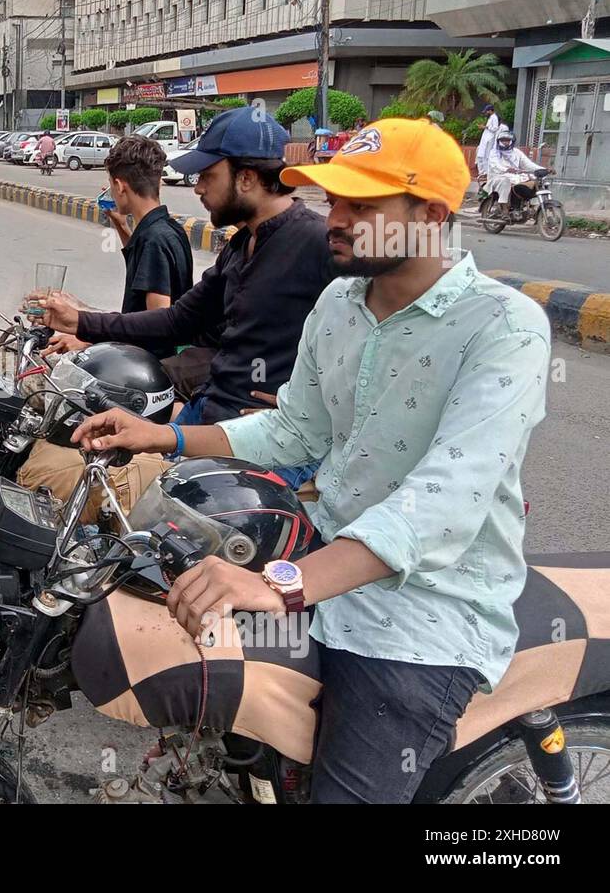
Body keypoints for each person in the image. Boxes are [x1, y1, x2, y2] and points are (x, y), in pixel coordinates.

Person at [71, 117, 551, 803]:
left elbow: (443, 502)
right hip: (327, 565)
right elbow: (295, 431)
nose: (338, 219)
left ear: (433, 216)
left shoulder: (503, 326)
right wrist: (163, 438)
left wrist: (281, 584)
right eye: (334, 200)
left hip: (424, 617)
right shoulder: (339, 302)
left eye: (363, 204)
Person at [28, 106, 333, 469]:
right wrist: (79, 321)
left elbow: (366, 341)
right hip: (206, 414)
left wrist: (309, 406)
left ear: (247, 178)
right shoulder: (241, 245)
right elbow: (176, 319)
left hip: (260, 444)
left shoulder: (317, 241)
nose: (199, 187)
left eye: (207, 175)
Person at [49, 134, 193, 359]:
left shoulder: (154, 240)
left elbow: (157, 324)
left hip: (149, 365)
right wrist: (120, 224)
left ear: (119, 185)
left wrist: (89, 339)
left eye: (111, 185)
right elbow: (142, 267)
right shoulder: (167, 228)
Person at [484, 127, 542, 215]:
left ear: (511, 141)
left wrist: (542, 169)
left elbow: (528, 164)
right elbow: (495, 165)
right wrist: (506, 169)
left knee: (534, 181)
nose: (505, 142)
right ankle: (504, 208)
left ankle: (530, 207)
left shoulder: (516, 152)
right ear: (499, 141)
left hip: (515, 176)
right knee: (506, 182)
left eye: (507, 140)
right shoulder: (494, 152)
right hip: (497, 177)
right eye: (503, 140)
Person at [474, 103, 500, 179]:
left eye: (487, 111)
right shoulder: (491, 117)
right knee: (481, 156)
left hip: (489, 139)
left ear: (491, 111)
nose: (486, 113)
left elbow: (495, 128)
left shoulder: (494, 118)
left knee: (486, 156)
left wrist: (485, 127)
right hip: (486, 139)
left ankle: (486, 173)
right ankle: (483, 173)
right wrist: (485, 127)